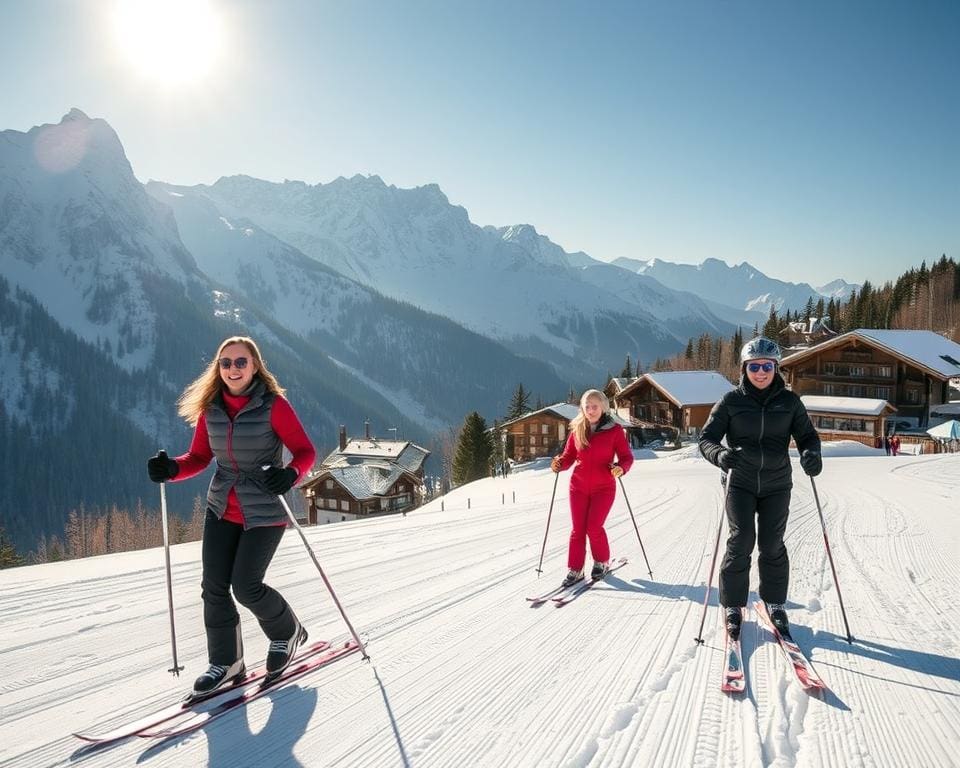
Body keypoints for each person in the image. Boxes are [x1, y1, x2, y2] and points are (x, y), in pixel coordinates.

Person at [147, 336, 316, 696]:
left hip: (266, 509)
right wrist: (170, 469)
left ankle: (286, 632)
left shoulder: (274, 406)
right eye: (226, 363)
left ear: (255, 365)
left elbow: (305, 451)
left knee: (247, 586)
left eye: (241, 362)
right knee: (214, 587)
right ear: (218, 368)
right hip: (223, 505)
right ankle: (227, 663)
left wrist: (290, 474)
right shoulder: (211, 410)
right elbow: (198, 458)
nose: (233, 369)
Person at [698, 337, 821, 640]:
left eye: (767, 366)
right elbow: (706, 439)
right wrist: (720, 456)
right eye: (755, 366)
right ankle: (732, 605)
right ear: (745, 368)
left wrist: (811, 454)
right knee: (741, 540)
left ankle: (775, 602)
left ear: (776, 368)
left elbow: (808, 436)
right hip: (739, 482)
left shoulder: (790, 402)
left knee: (772, 543)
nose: (761, 372)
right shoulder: (731, 401)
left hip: (777, 484)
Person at [551, 389, 634, 587]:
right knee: (578, 530)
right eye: (586, 407)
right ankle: (575, 568)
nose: (590, 410)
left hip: (603, 488)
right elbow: (569, 456)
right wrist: (559, 463)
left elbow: (626, 457)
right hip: (578, 487)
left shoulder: (614, 431)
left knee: (593, 527)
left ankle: (601, 562)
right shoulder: (577, 429)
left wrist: (621, 468)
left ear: (603, 407)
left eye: (594, 406)